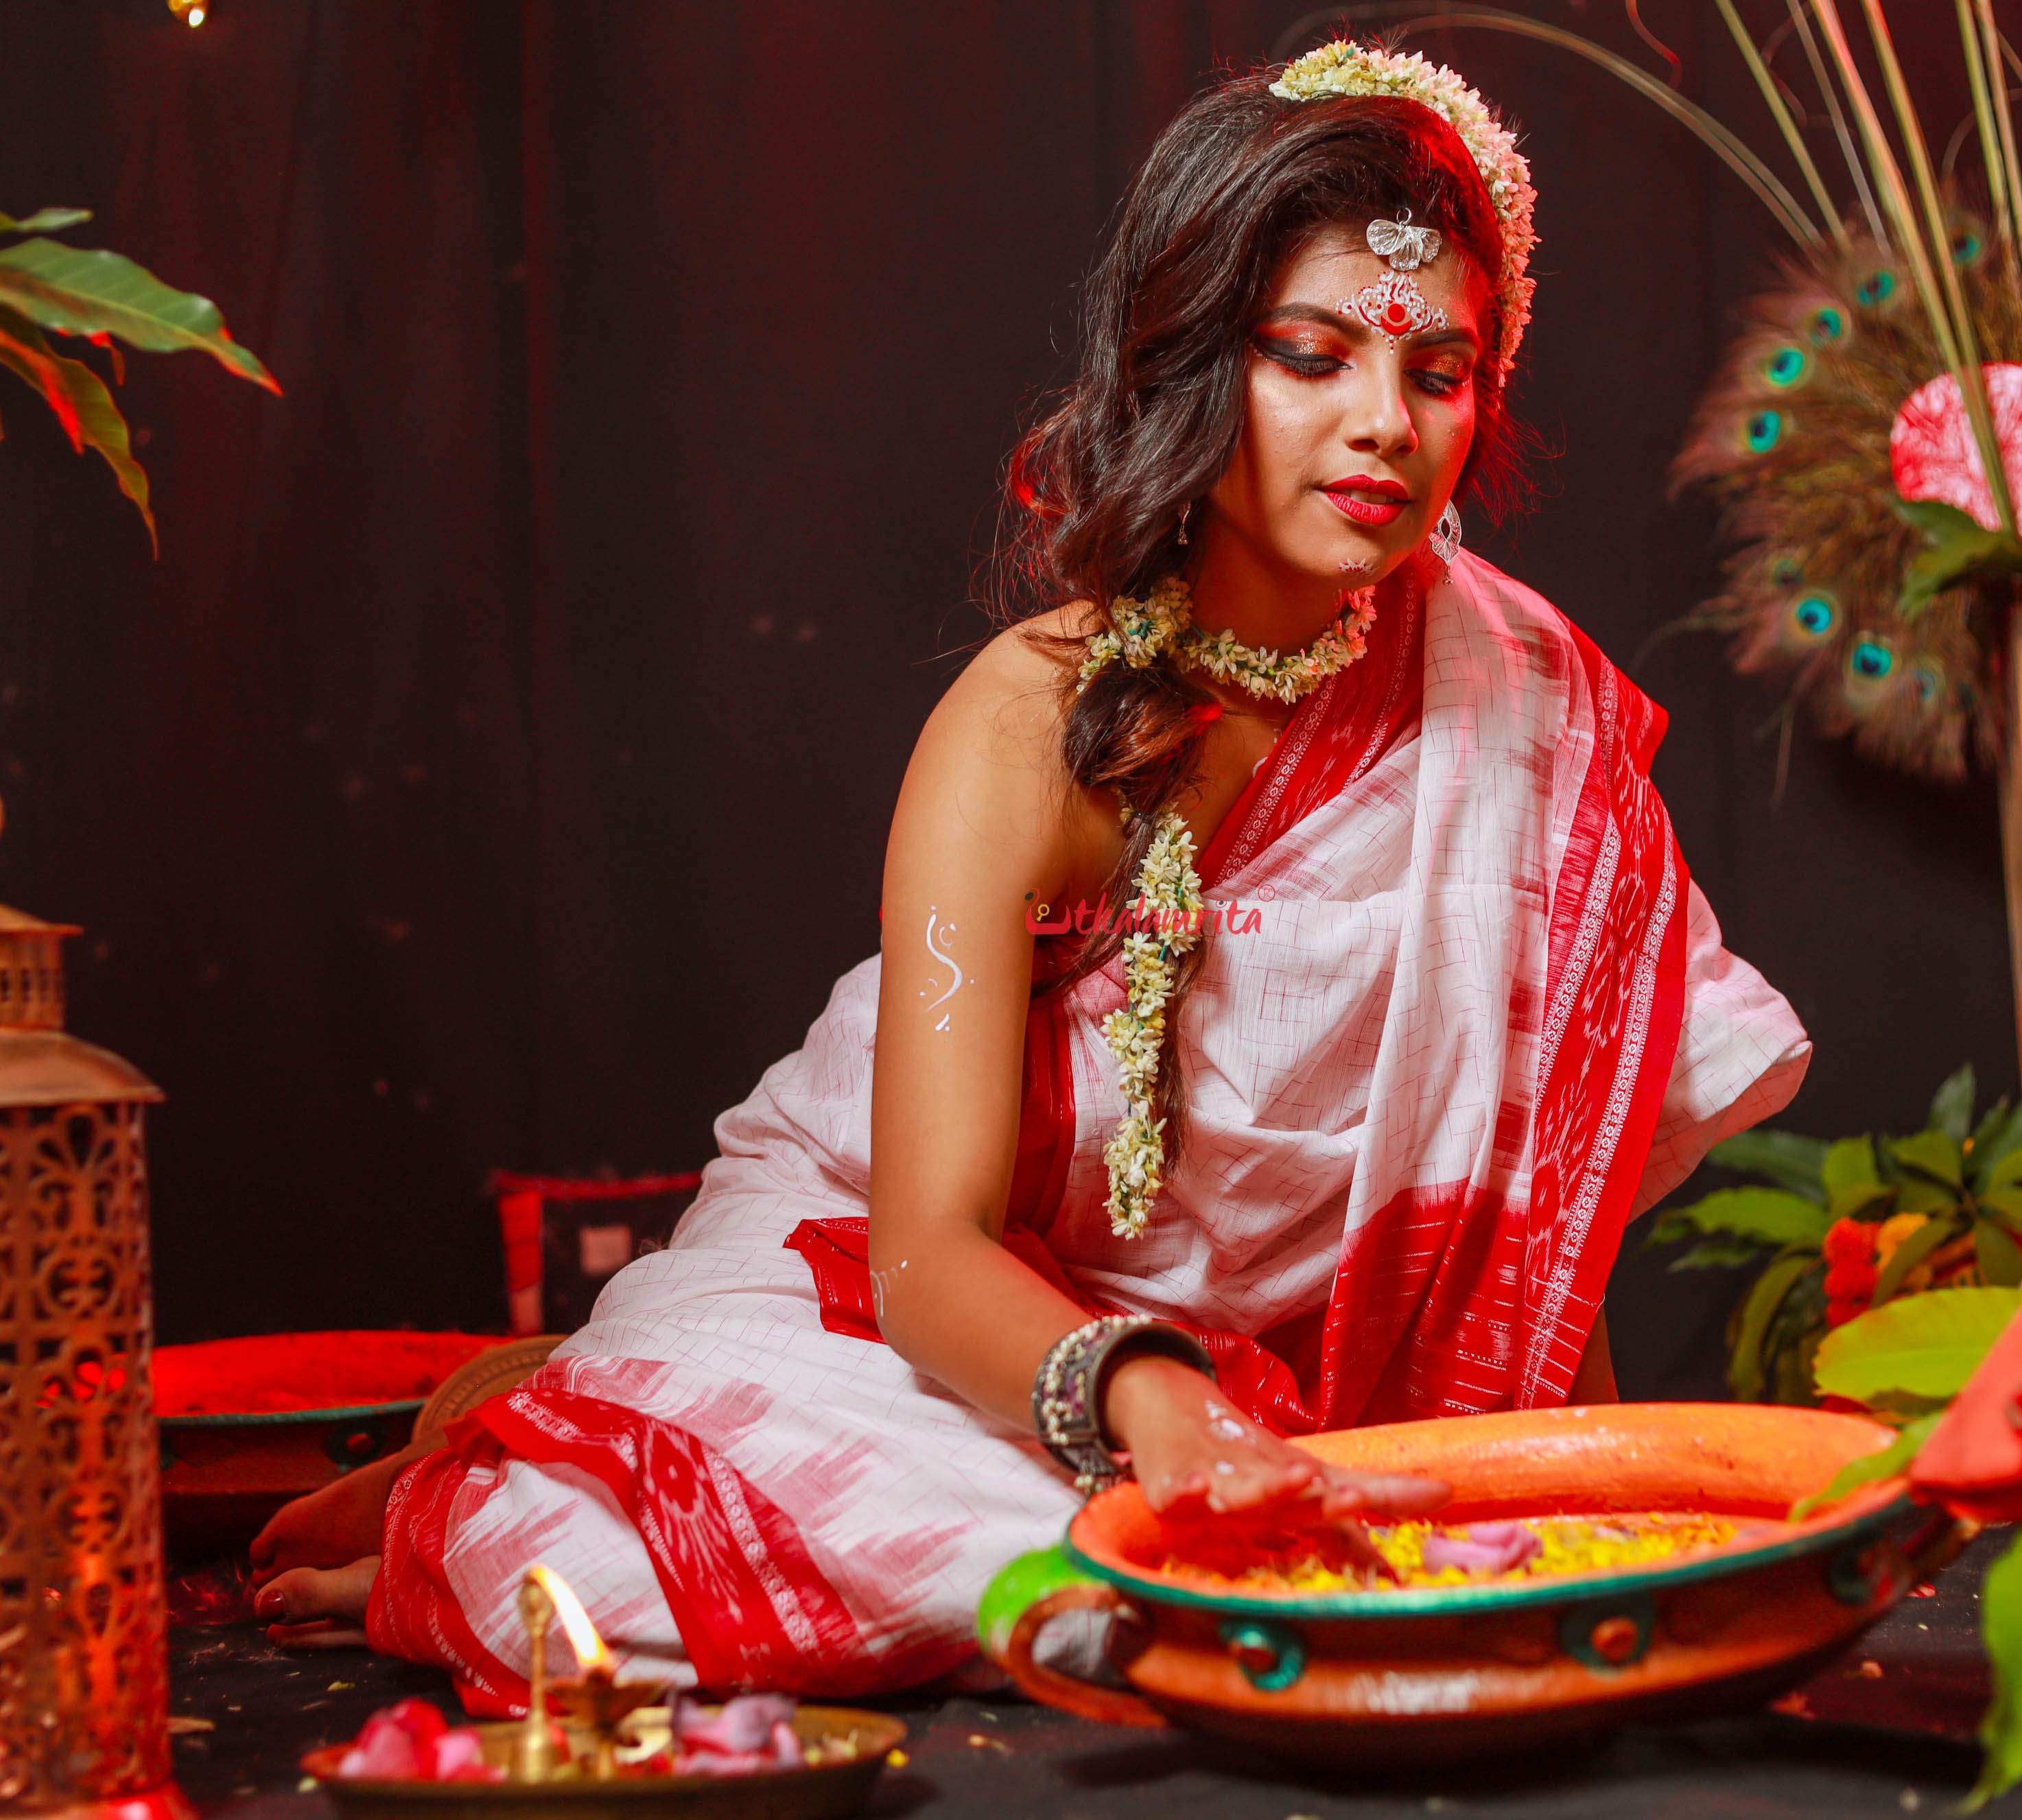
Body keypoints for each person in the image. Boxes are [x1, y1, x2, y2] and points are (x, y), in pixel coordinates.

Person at [249, 42, 1809, 1707]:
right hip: (910, 1296)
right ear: (1198, 361)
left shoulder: (1519, 702)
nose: (1383, 423)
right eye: (1311, 354)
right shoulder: (1024, 728)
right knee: (690, 1570)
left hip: (1289, 1389)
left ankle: (586, 1398)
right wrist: (1154, 1400)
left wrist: (1563, 1481)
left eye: (1439, 367)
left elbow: (1532, 1193)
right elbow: (923, 1251)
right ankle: (540, 1443)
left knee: (1314, 1583)